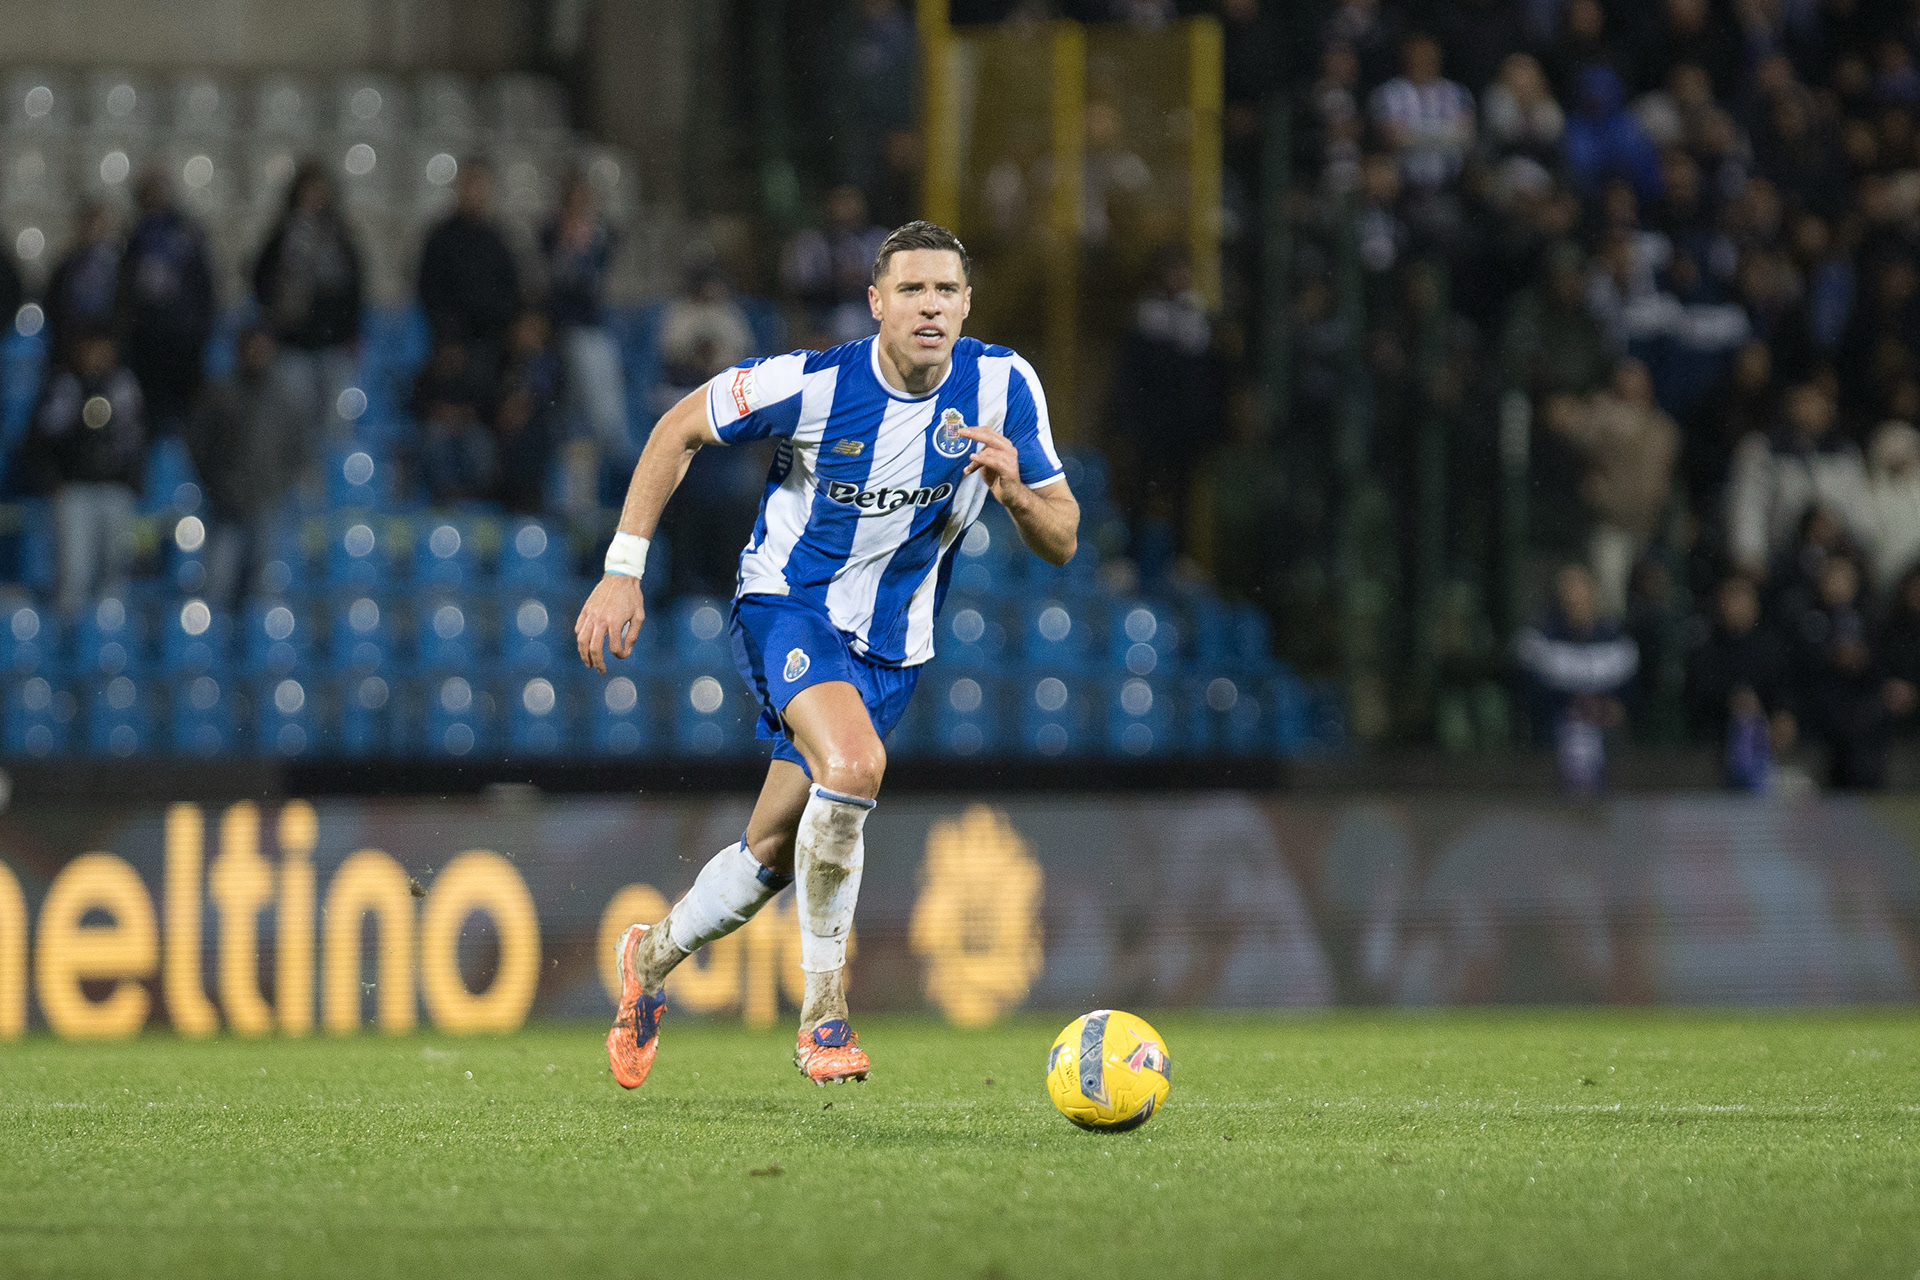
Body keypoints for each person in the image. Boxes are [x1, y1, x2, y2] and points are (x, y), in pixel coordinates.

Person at [577, 221, 1078, 1089]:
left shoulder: (1003, 385)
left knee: (774, 852)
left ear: (968, 304)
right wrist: (624, 571)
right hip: (789, 606)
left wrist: (1017, 497)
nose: (930, 307)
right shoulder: (812, 383)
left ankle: (648, 960)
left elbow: (1063, 537)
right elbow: (676, 428)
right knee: (854, 764)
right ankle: (824, 1016)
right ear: (877, 303)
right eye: (912, 290)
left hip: (893, 650)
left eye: (946, 291)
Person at [18, 332, 147, 615]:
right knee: (74, 577)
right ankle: (70, 637)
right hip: (73, 492)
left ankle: (109, 637)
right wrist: (53, 484)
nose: (98, 356)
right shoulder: (64, 387)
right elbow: (36, 443)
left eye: (104, 349)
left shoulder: (123, 388)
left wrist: (132, 482)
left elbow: (138, 439)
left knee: (115, 577)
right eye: (91, 349)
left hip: (116, 491)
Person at [183, 327, 306, 611]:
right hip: (225, 505)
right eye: (252, 349)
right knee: (217, 585)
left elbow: (297, 451)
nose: (257, 356)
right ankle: (214, 637)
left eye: (263, 349)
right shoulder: (219, 394)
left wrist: (278, 484)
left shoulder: (284, 399)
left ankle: (256, 639)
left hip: (268, 503)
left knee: (263, 589)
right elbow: (197, 444)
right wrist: (215, 484)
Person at [252, 162, 364, 448]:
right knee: (295, 425)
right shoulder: (282, 237)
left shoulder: (340, 237)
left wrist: (352, 331)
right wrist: (272, 322)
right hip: (293, 344)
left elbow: (355, 287)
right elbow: (260, 279)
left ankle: (330, 477)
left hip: (334, 345)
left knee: (335, 429)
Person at [1514, 563, 1639, 795]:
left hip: (1606, 734)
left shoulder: (1615, 636)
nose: (1574, 598)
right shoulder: (1541, 635)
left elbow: (1627, 689)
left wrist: (1613, 705)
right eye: (1567, 591)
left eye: (1579, 589)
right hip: (1556, 731)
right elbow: (1533, 688)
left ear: (1593, 593)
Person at [116, 170, 216, 437]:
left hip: (183, 339)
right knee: (149, 416)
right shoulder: (134, 238)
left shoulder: (187, 233)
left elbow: (203, 285)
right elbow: (125, 290)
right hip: (147, 340)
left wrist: (199, 328)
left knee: (185, 418)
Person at [540, 170, 629, 466]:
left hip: (594, 325)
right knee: (577, 412)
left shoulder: (599, 232)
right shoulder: (552, 231)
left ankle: (607, 468)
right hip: (566, 326)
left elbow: (598, 277)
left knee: (600, 412)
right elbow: (560, 279)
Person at [417, 160, 521, 358]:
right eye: (471, 185)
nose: (476, 193)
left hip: (494, 341)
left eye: (481, 186)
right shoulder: (441, 239)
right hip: (453, 343)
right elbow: (431, 292)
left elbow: (510, 288)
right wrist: (448, 338)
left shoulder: (498, 239)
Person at [781, 185, 889, 345]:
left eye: (851, 201)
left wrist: (862, 280)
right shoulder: (811, 243)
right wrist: (836, 282)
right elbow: (796, 287)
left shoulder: (879, 239)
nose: (847, 208)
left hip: (870, 311)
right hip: (825, 316)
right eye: (841, 201)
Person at [42, 202, 120, 369]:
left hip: (107, 353)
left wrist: (106, 346)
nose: (91, 230)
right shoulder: (66, 266)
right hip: (71, 350)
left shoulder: (117, 265)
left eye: (96, 224)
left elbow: (123, 308)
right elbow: (54, 307)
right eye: (86, 224)